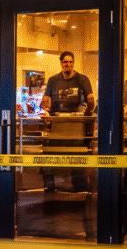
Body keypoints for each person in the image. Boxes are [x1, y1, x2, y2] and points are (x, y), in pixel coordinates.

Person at [40, 51, 94, 192]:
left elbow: (91, 100)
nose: (68, 65)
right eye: (65, 62)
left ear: (73, 63)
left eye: (70, 62)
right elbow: (45, 102)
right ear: (61, 63)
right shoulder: (53, 80)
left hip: (77, 129)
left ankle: (80, 194)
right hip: (57, 129)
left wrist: (90, 110)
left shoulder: (82, 79)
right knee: (48, 162)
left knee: (78, 167)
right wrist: (45, 108)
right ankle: (49, 190)